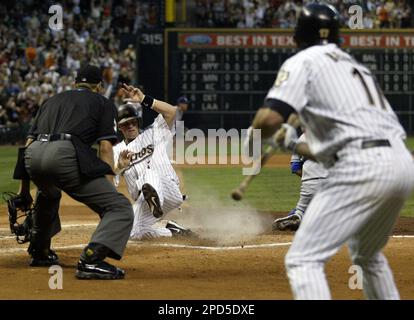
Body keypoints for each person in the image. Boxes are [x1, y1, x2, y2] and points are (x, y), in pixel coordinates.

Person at [246, 3, 414, 299]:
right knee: (367, 254)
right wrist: (290, 143)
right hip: (400, 163)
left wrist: (255, 134)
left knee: (303, 259)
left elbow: (269, 119)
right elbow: (334, 152)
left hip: (362, 166)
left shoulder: (303, 61)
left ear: (297, 37)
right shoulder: (356, 67)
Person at [19, 65, 134, 280]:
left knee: (48, 193)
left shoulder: (51, 100)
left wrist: (24, 190)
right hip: (64, 154)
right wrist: (109, 193)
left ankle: (40, 251)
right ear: (99, 86)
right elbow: (106, 148)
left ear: (75, 84)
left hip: (32, 156)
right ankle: (91, 261)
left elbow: (28, 143)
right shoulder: (102, 102)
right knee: (119, 207)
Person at [113, 84, 193, 240]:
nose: (130, 126)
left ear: (138, 122)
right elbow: (108, 181)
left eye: (132, 122)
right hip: (145, 201)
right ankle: (172, 231)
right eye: (125, 124)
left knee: (148, 173)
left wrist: (143, 99)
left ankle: (153, 195)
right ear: (120, 128)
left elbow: (172, 112)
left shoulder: (154, 132)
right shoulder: (117, 151)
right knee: (133, 233)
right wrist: (118, 167)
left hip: (168, 190)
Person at [272, 132, 328, 231]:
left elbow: (295, 168)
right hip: (332, 183)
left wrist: (311, 176)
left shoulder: (302, 138)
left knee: (301, 210)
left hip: (309, 183)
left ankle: (298, 215)